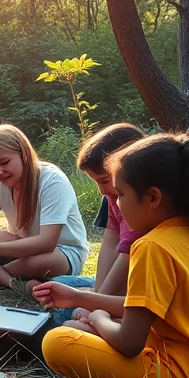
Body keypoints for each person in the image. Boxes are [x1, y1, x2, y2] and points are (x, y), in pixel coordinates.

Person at [36, 134, 189, 378]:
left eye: (120, 194)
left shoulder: (151, 246)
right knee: (78, 329)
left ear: (153, 197)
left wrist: (98, 317)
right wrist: (80, 297)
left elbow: (129, 342)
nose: (116, 203)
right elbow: (145, 307)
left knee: (57, 342)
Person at [0, 124, 88, 289]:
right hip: (20, 245)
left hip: (61, 252)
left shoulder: (52, 181)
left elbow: (47, 242)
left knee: (32, 263)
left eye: (4, 162)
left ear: (24, 154)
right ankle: (14, 283)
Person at [48, 124, 146, 326]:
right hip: (120, 286)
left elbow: (127, 257)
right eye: (96, 183)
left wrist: (94, 303)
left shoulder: (138, 206)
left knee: (68, 320)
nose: (102, 190)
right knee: (58, 285)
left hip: (138, 288)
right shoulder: (113, 199)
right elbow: (110, 243)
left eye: (104, 180)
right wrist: (98, 294)